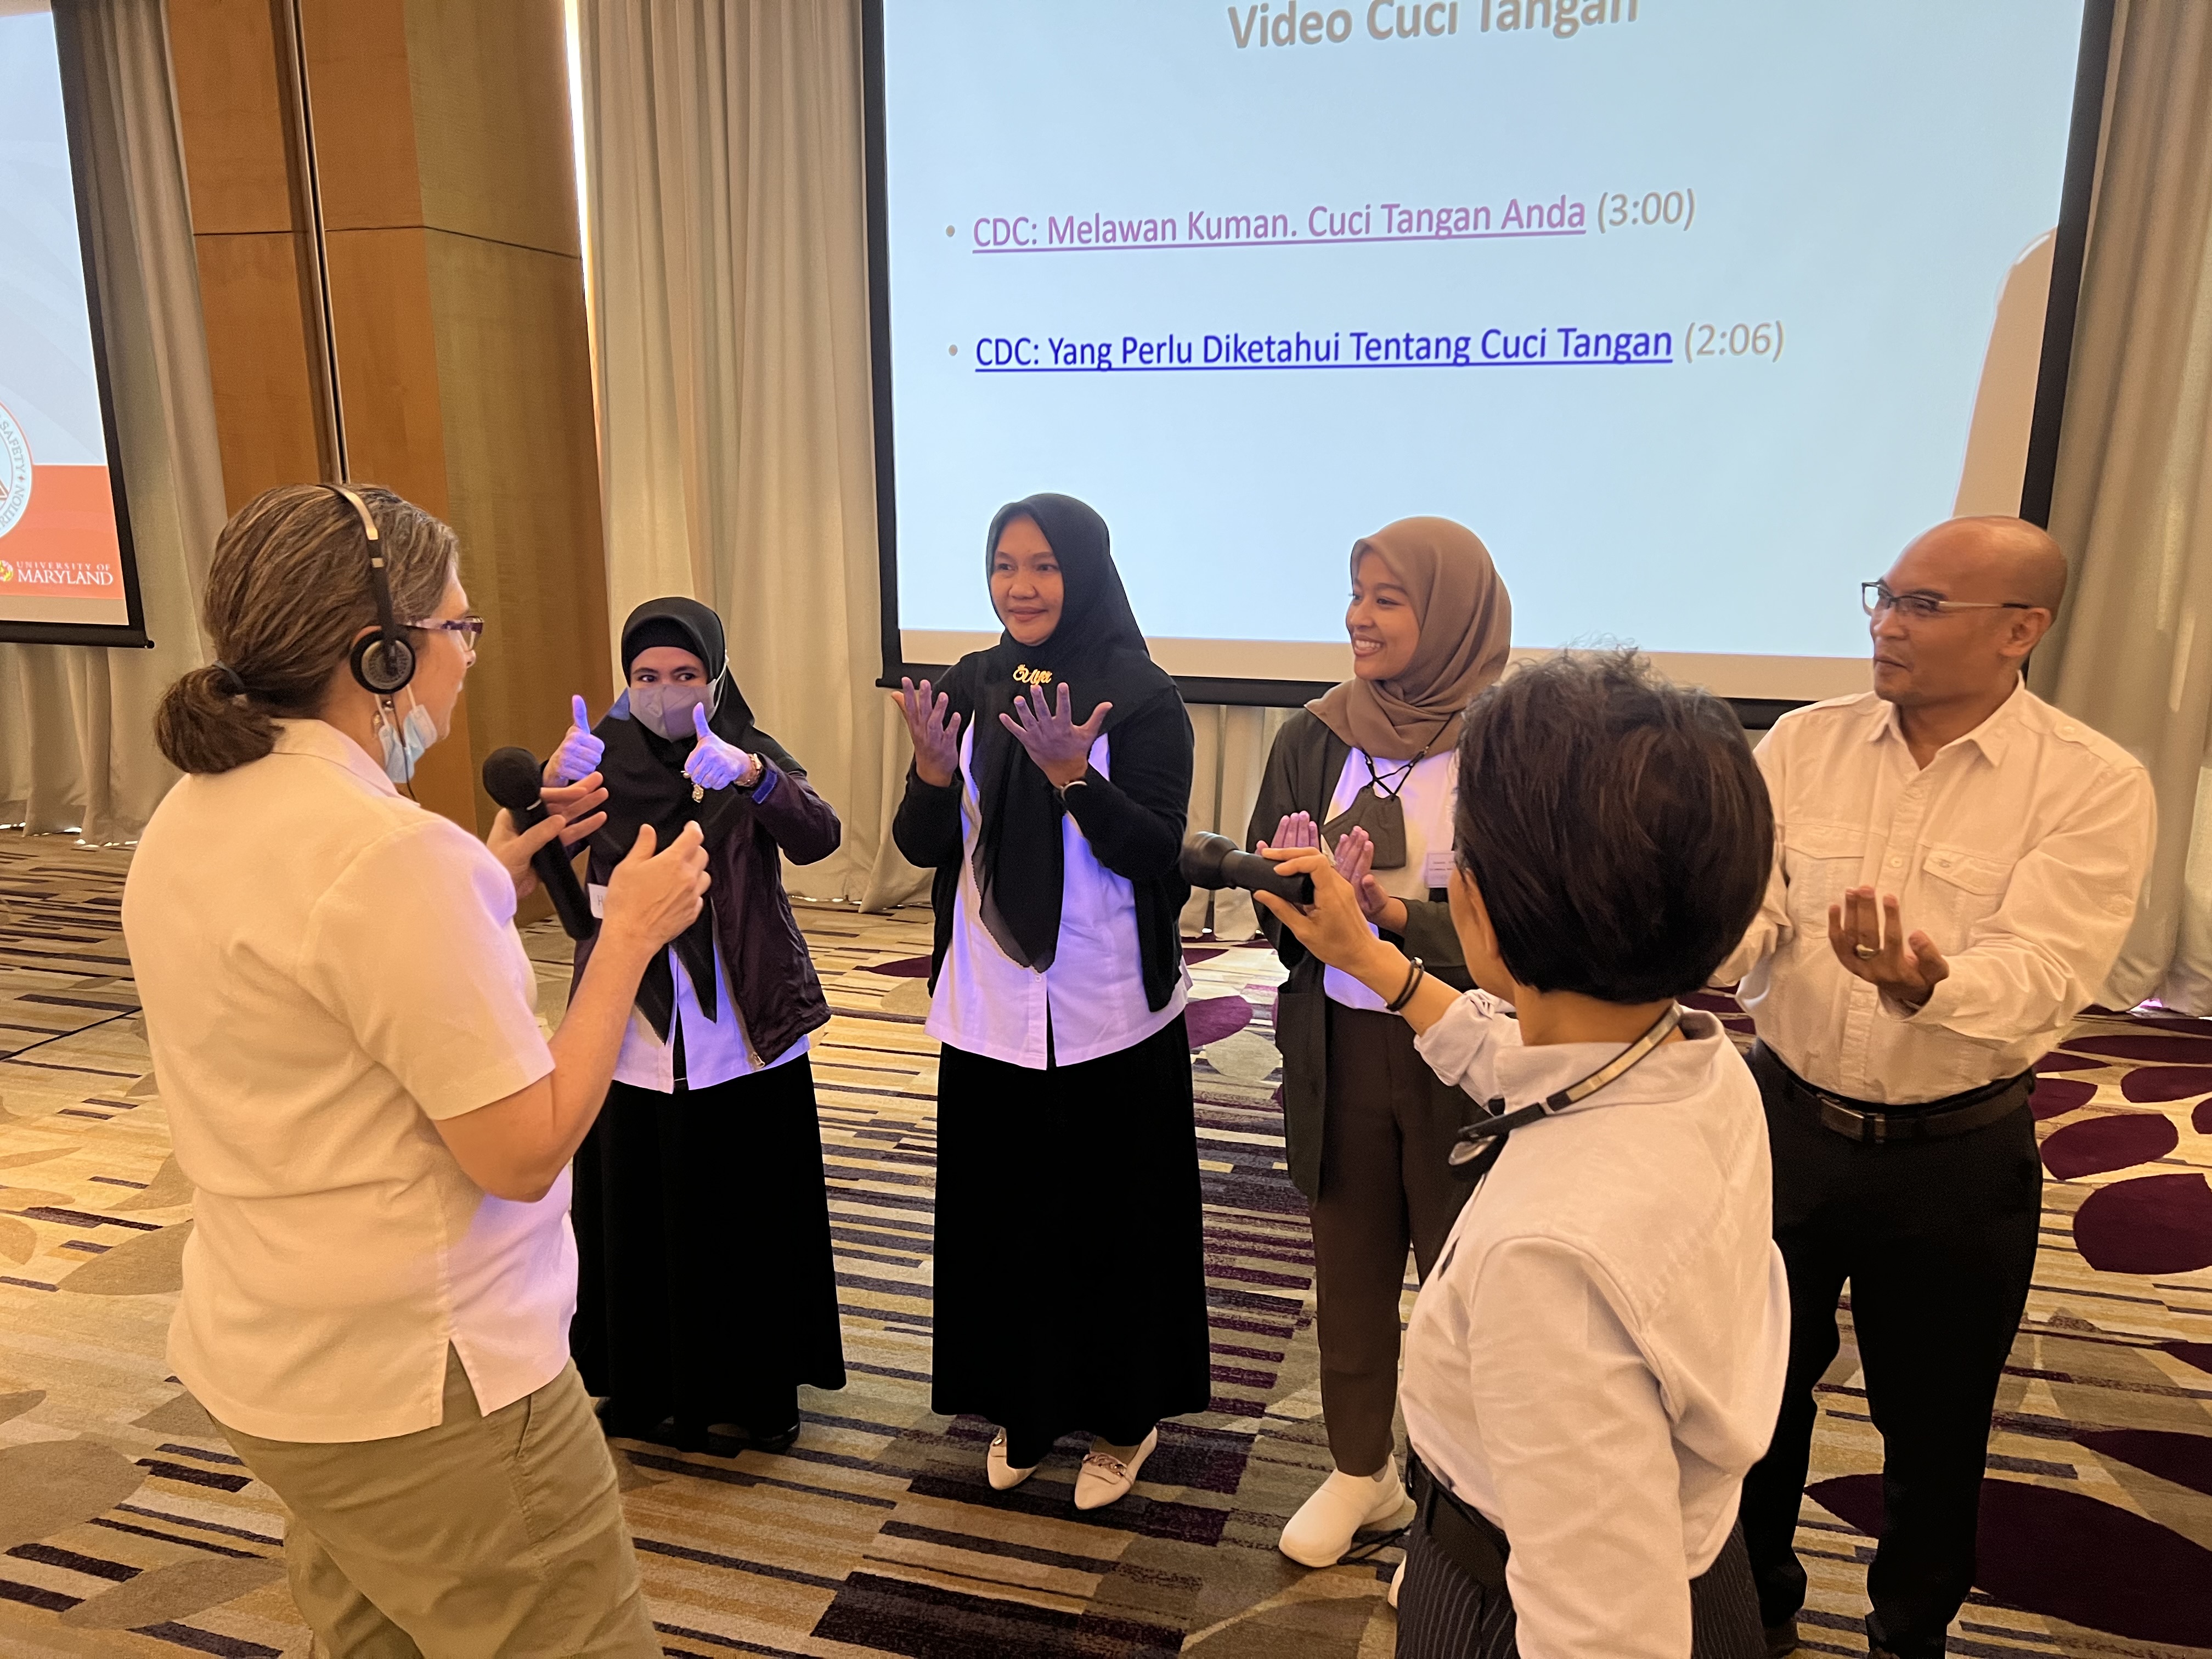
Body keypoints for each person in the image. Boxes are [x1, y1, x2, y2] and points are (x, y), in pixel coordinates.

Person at [122, 483, 710, 1656]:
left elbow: (324, 1003)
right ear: (379, 652)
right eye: (457, 630)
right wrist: (629, 937)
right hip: (432, 1384)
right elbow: (523, 1147)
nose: (466, 661)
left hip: (276, 1358)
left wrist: (487, 881)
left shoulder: (190, 816)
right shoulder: (388, 859)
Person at [1256, 650, 1788, 1658]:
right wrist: (1371, 960)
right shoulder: (1694, 1060)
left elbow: (1603, 1630)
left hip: (1514, 1593)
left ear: (1478, 905)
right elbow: (1519, 1054)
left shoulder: (1548, 1263)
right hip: (1693, 1554)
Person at [1720, 517, 2155, 1659]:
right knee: (1752, 1395)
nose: (1884, 624)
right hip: (1783, 1125)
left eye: (1921, 606)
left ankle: (1907, 1635)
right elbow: (1750, 910)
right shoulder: (1800, 744)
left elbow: (2053, 970)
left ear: (2024, 630)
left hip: (1956, 1161)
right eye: (1884, 595)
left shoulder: (2092, 784)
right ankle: (1755, 1607)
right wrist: (1685, 939)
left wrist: (1929, 986)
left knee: (1935, 1431)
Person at [890, 492, 1210, 1509]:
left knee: (1114, 1223)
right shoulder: (973, 684)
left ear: (1083, 571)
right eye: (1002, 566)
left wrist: (1077, 778)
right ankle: (1025, 1407)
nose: (1020, 587)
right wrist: (933, 777)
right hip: (989, 1003)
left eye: (1042, 566)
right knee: (1007, 1223)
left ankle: (1125, 1419)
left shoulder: (1141, 693)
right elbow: (922, 847)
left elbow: (1161, 856)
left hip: (1106, 1003)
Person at [1246, 516, 1513, 1566]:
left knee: (1469, 1289)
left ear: (1449, 612)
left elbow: (1533, 923)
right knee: (1349, 1268)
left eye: (1389, 597)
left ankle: (1468, 1509)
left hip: (1468, 1048)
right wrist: (1301, 901)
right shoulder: (1313, 734)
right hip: (1339, 1047)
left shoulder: (1509, 739)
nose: (1359, 616)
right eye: (1356, 592)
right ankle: (1366, 1473)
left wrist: (1393, 924)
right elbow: (1271, 897)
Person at [551, 597, 846, 1457]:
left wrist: (752, 778)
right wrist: (554, 790)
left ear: (715, 679)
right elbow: (540, 870)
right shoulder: (596, 759)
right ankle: (643, 1387)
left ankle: (759, 1392)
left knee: (747, 1205)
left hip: (741, 1017)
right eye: (646, 677)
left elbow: (821, 836)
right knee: (637, 1205)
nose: (666, 693)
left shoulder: (742, 750)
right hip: (629, 1019)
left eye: (686, 676)